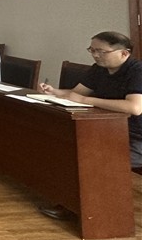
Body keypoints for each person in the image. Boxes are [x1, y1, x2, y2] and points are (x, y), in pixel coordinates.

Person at [40, 31, 142, 171]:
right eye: (92, 50)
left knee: (98, 161)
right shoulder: (99, 69)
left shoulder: (137, 71)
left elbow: (134, 107)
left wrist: (86, 100)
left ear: (124, 53)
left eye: (101, 51)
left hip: (135, 135)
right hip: (105, 127)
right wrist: (54, 92)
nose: (95, 55)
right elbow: (76, 94)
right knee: (65, 148)